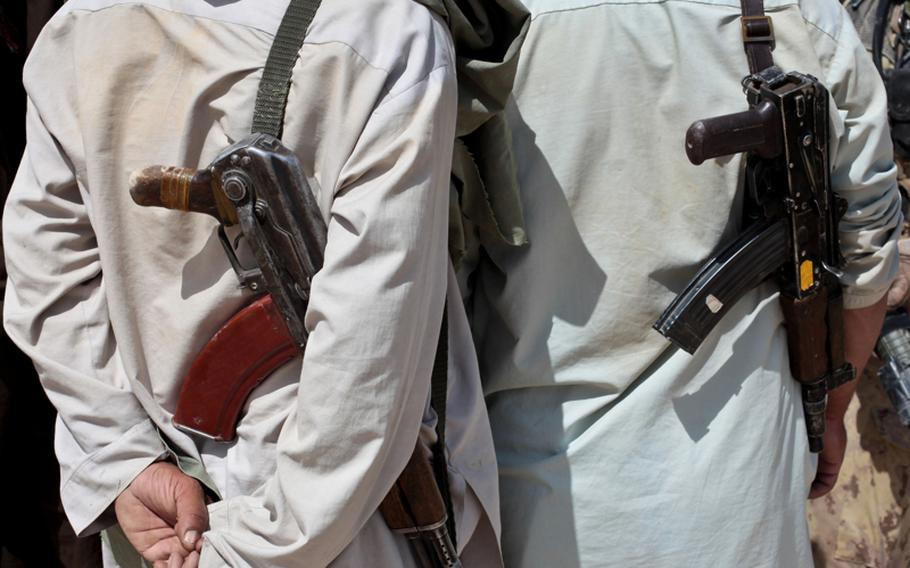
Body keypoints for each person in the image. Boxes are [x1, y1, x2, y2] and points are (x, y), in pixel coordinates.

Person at [2, 0, 525, 566]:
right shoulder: (384, 34)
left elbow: (47, 278)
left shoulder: (82, 20)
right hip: (326, 528)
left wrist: (122, 461)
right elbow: (367, 362)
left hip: (169, 522)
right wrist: (249, 547)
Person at [461, 0, 901, 566]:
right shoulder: (803, 13)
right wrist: (831, 413)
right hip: (742, 498)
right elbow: (867, 254)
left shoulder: (476, 21)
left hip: (537, 492)